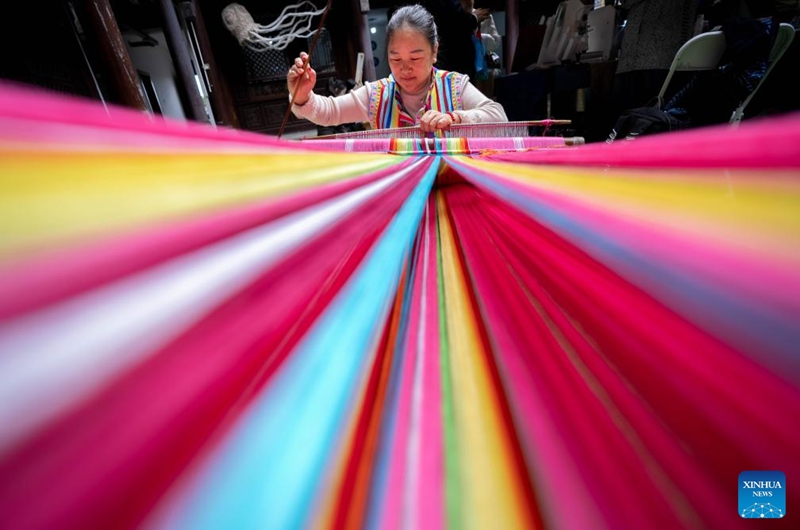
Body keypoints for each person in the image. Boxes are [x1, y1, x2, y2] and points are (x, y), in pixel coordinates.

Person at [287, 4, 507, 134]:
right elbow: (329, 111)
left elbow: (499, 117)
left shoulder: (454, 86)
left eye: (416, 57)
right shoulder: (378, 95)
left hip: (451, 189)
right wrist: (302, 95)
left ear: (434, 52)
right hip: (400, 196)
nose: (405, 68)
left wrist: (455, 118)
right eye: (395, 58)